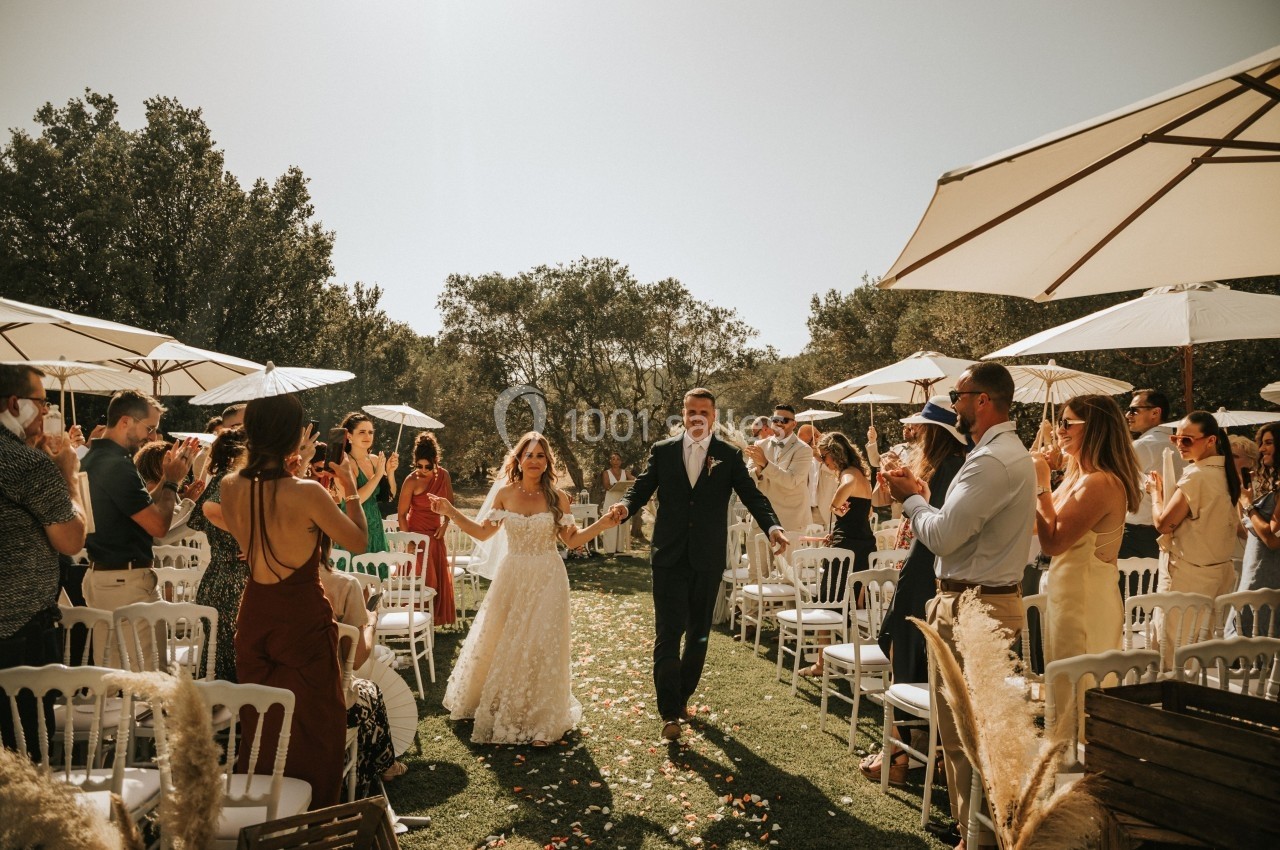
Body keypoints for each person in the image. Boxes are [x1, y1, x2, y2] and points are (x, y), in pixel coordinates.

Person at [883, 363, 1036, 849]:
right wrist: (927, 497)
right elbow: (960, 525)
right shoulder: (1000, 454)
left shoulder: (991, 461)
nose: (955, 403)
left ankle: (981, 839)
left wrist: (910, 500)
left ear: (984, 400)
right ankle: (972, 836)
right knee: (966, 737)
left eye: (959, 394)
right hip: (979, 600)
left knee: (972, 738)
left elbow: (944, 534)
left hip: (976, 609)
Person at [609, 388, 787, 742]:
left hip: (706, 558)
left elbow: (752, 495)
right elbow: (641, 488)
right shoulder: (662, 452)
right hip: (668, 557)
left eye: (703, 411)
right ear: (683, 413)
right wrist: (625, 507)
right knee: (668, 631)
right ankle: (669, 711)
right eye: (691, 411)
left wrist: (772, 526)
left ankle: (684, 695)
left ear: (714, 415)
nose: (697, 417)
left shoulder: (728, 455)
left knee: (698, 635)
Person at [221, 394, 369, 809]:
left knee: (262, 722)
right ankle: (312, 817)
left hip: (255, 614)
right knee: (316, 725)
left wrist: (293, 470)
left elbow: (249, 538)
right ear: (293, 436)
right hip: (301, 617)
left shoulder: (229, 486)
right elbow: (357, 542)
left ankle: (266, 815)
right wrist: (352, 491)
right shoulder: (308, 493)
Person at [429, 432, 620, 745]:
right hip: (514, 575)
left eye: (540, 456)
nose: (534, 461)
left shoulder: (558, 497)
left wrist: (602, 525)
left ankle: (543, 721)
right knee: (508, 639)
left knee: (542, 643)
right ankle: (503, 702)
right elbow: (482, 532)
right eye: (528, 455)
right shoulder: (505, 494)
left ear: (547, 462)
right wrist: (451, 512)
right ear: (518, 460)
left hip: (549, 576)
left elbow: (571, 540)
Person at [860, 396, 967, 786]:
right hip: (922, 568)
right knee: (907, 653)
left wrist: (911, 495)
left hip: (925, 573)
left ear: (934, 433)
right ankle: (910, 750)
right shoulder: (947, 466)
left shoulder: (950, 468)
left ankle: (903, 755)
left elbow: (935, 527)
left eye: (921, 428)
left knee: (904, 652)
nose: (916, 434)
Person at [1031, 396, 1142, 711]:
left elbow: (1052, 543)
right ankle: (1067, 753)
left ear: (1093, 428)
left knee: (1080, 692)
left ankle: (1082, 755)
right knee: (1065, 686)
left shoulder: (1100, 483)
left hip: (1084, 601)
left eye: (1067, 423)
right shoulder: (1076, 478)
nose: (1059, 431)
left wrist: (1041, 482)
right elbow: (1038, 525)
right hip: (1067, 596)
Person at [0, 364, 87, 756]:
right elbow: (72, 539)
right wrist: (67, 475)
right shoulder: (24, 464)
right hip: (17, 634)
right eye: (42, 401)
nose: (47, 410)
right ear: (16, 404)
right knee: (28, 754)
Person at [81, 390, 197, 668]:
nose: (153, 437)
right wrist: (171, 482)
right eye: (150, 428)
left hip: (103, 579)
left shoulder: (91, 459)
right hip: (127, 583)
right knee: (149, 680)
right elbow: (158, 525)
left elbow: (135, 510)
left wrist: (166, 485)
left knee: (111, 677)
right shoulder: (117, 466)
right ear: (125, 422)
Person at [795, 431, 874, 679]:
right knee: (856, 605)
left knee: (828, 601)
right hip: (863, 544)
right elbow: (865, 514)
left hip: (845, 551)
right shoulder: (862, 475)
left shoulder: (849, 475)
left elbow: (844, 492)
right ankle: (856, 658)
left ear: (834, 455)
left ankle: (821, 662)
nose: (825, 463)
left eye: (825, 457)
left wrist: (834, 505)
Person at [317, 563, 403, 792]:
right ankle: (386, 766)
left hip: (274, 696)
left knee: (359, 692)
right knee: (370, 692)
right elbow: (355, 660)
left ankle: (378, 765)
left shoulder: (264, 579)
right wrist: (371, 621)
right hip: (327, 703)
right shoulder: (343, 584)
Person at [1149, 410, 1241, 605]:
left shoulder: (1198, 475)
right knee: (1204, 635)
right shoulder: (1225, 474)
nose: (1180, 445)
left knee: (1173, 635)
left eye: (1187, 440)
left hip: (1188, 576)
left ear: (1210, 441)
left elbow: (1164, 525)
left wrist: (1155, 494)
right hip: (1216, 574)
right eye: (1176, 439)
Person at [188, 427, 248, 682]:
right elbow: (210, 510)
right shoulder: (228, 479)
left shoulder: (232, 478)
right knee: (226, 653)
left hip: (223, 575)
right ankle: (225, 714)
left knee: (226, 652)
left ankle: (227, 714)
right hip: (228, 578)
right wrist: (250, 539)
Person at [397, 432, 456, 626]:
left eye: (427, 466)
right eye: (419, 466)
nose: (422, 470)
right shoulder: (411, 480)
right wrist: (409, 541)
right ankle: (411, 622)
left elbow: (450, 507)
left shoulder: (444, 476)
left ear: (436, 461)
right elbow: (402, 514)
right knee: (420, 579)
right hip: (415, 536)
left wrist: (446, 523)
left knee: (436, 580)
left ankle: (431, 620)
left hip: (435, 535)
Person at [1120, 389, 1182, 559]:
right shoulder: (1182, 446)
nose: (1127, 415)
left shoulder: (1142, 446)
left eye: (1134, 410)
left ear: (1155, 412)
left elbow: (1116, 485)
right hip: (1174, 533)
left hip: (1136, 534)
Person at [1231, 423, 1279, 637]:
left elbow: (1273, 539)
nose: (1261, 449)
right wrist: (1243, 498)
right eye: (1261, 443)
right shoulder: (1274, 484)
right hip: (1254, 572)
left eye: (1268, 443)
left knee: (1250, 640)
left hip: (1265, 577)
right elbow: (1247, 530)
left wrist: (1249, 505)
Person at [743, 404, 812, 533]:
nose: (779, 423)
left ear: (794, 424)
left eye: (784, 420)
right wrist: (759, 471)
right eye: (775, 420)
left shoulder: (804, 449)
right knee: (756, 554)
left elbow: (791, 481)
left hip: (790, 523)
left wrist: (764, 463)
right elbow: (747, 479)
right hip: (760, 520)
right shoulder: (759, 445)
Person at [341, 412, 398, 553]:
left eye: (370, 432)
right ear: (349, 436)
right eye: (362, 432)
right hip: (354, 526)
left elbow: (389, 496)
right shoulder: (345, 463)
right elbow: (355, 500)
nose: (367, 436)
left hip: (375, 526)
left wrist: (390, 473)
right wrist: (378, 476)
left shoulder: (374, 460)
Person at [132, 440, 205, 545]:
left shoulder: (166, 485)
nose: (175, 463)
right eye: (169, 459)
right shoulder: (152, 486)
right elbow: (165, 527)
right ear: (155, 463)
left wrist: (187, 498)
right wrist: (188, 503)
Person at [798, 423, 838, 527]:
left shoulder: (833, 447)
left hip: (829, 510)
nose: (804, 447)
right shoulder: (805, 454)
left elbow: (837, 471)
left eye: (807, 443)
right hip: (810, 511)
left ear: (816, 436)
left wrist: (819, 457)